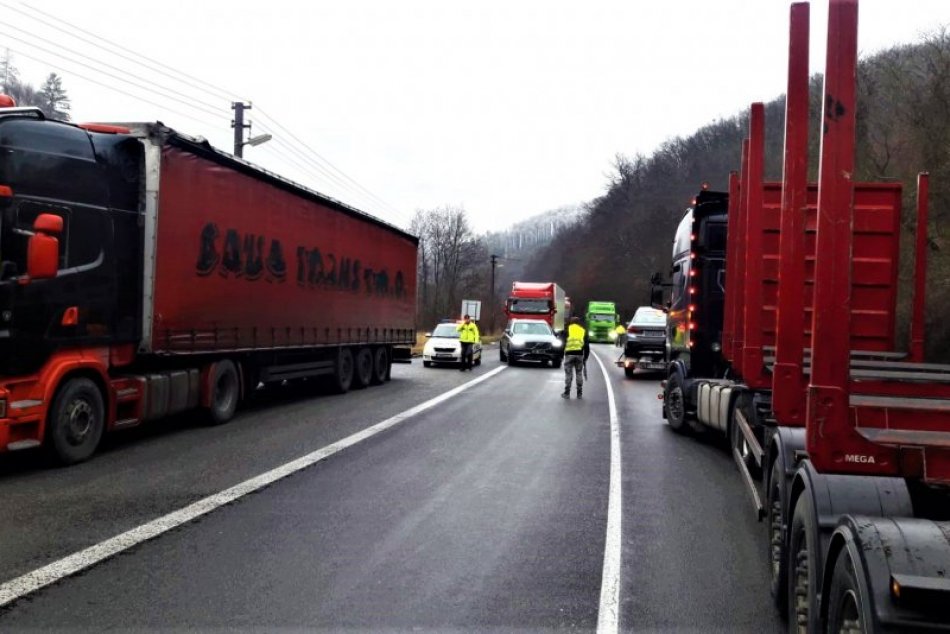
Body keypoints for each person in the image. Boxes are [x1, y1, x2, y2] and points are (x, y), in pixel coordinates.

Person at [561, 316, 590, 399]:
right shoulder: (583, 331)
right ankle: (579, 393)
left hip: (569, 354)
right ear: (579, 323)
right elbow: (587, 346)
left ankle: (567, 393)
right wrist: (585, 357)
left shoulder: (567, 331)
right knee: (579, 373)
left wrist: (561, 355)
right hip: (579, 354)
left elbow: (563, 344)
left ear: (571, 322)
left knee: (568, 374)